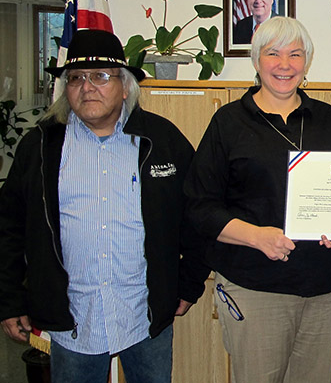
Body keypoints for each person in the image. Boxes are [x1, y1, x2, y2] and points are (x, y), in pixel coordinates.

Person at [0, 29, 208, 382]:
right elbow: (9, 227)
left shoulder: (162, 140)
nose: (87, 87)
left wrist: (189, 285)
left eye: (100, 76)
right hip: (73, 318)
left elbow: (199, 215)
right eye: (76, 78)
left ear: (125, 86)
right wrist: (9, 300)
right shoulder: (40, 146)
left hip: (145, 315)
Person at [184, 17, 331, 383]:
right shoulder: (228, 123)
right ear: (256, 60)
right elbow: (200, 207)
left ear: (306, 62)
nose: (284, 64)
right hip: (256, 290)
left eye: (295, 54)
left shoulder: (327, 119)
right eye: (273, 53)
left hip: (326, 290)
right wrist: (255, 236)